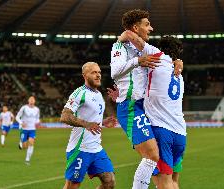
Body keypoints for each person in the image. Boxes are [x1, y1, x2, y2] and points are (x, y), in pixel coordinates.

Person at [110, 9, 183, 189]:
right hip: (131, 106)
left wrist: (177, 61)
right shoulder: (120, 47)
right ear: (136, 27)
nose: (151, 28)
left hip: (147, 107)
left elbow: (165, 61)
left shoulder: (147, 49)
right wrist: (138, 61)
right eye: (147, 24)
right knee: (152, 155)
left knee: (157, 162)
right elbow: (114, 72)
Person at [60, 62, 117, 189]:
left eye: (99, 72)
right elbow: (64, 116)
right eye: (94, 72)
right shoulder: (79, 93)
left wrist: (103, 122)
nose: (98, 75)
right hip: (80, 149)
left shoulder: (98, 95)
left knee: (109, 182)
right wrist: (86, 124)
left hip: (96, 148)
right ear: (85, 75)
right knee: (72, 186)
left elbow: (91, 120)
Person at [16, 96, 40, 164]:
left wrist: (37, 122)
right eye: (30, 99)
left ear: (34, 101)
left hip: (32, 129)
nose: (32, 100)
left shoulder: (37, 109)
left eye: (33, 99)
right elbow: (17, 117)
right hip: (24, 129)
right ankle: (21, 141)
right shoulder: (24, 108)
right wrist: (21, 123)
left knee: (31, 143)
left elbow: (37, 118)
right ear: (28, 101)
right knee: (24, 146)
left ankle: (27, 159)